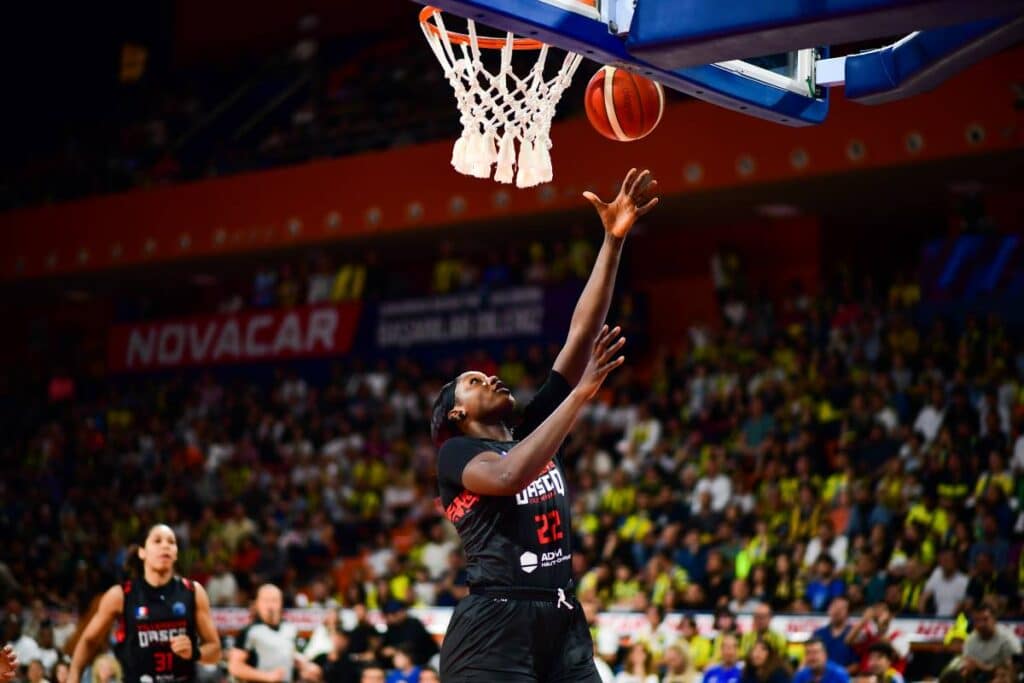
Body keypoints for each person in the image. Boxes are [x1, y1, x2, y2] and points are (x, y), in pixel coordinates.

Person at [431, 167, 659, 683]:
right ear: (457, 414)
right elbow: (510, 476)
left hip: (561, 618)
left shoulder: (529, 429)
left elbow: (580, 333)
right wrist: (581, 393)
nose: (489, 377)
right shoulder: (457, 456)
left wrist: (613, 242)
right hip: (494, 626)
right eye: (473, 380)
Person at [68, 524, 221, 683]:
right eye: (157, 541)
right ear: (142, 552)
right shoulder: (120, 595)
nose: (165, 546)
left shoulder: (193, 591)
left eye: (171, 542)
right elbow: (89, 640)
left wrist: (195, 653)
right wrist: (74, 675)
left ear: (176, 554)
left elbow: (215, 650)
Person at [228, 584, 320, 682]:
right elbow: (234, 667)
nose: (270, 606)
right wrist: (266, 677)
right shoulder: (249, 631)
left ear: (281, 603)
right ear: (257, 603)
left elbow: (287, 653)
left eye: (274, 600)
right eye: (265, 601)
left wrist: (305, 665)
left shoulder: (290, 628)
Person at [960, 604, 1021, 680]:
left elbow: (1014, 670)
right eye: (977, 620)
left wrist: (984, 668)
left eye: (985, 619)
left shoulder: (1007, 638)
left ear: (994, 619)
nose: (981, 624)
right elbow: (967, 663)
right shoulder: (970, 639)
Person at [378, 601, 437, 668]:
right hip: (399, 663)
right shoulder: (391, 628)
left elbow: (415, 646)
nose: (390, 617)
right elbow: (384, 648)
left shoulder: (414, 624)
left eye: (394, 614)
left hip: (424, 661)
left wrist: (395, 649)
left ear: (403, 612)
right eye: (387, 615)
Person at [811, 597, 857, 674]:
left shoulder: (854, 633)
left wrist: (837, 675)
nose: (837, 611)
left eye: (842, 608)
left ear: (848, 613)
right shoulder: (818, 633)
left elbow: (857, 665)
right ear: (828, 610)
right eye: (834, 606)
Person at [921, 548, 969, 617]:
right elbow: (924, 598)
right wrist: (922, 617)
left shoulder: (963, 581)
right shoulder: (937, 574)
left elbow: (959, 605)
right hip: (937, 619)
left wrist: (947, 621)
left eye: (947, 560)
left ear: (955, 561)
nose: (944, 563)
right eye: (942, 560)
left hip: (954, 620)